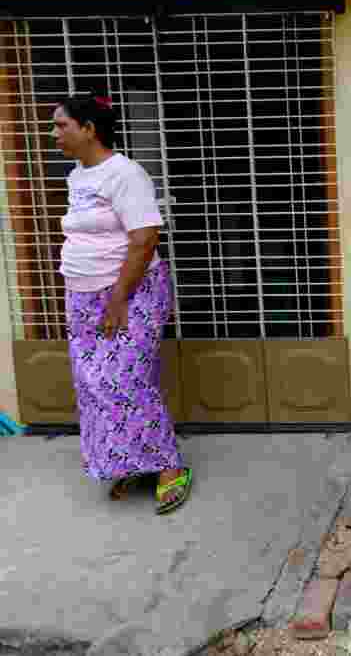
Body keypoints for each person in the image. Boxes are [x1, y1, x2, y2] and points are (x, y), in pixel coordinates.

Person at [52, 94, 192, 515]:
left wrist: (118, 299)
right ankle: (133, 459)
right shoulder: (77, 175)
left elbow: (145, 239)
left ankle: (168, 465)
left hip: (129, 294)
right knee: (94, 384)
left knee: (126, 380)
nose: (53, 134)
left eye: (61, 125)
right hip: (82, 295)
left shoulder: (126, 174)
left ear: (88, 129)